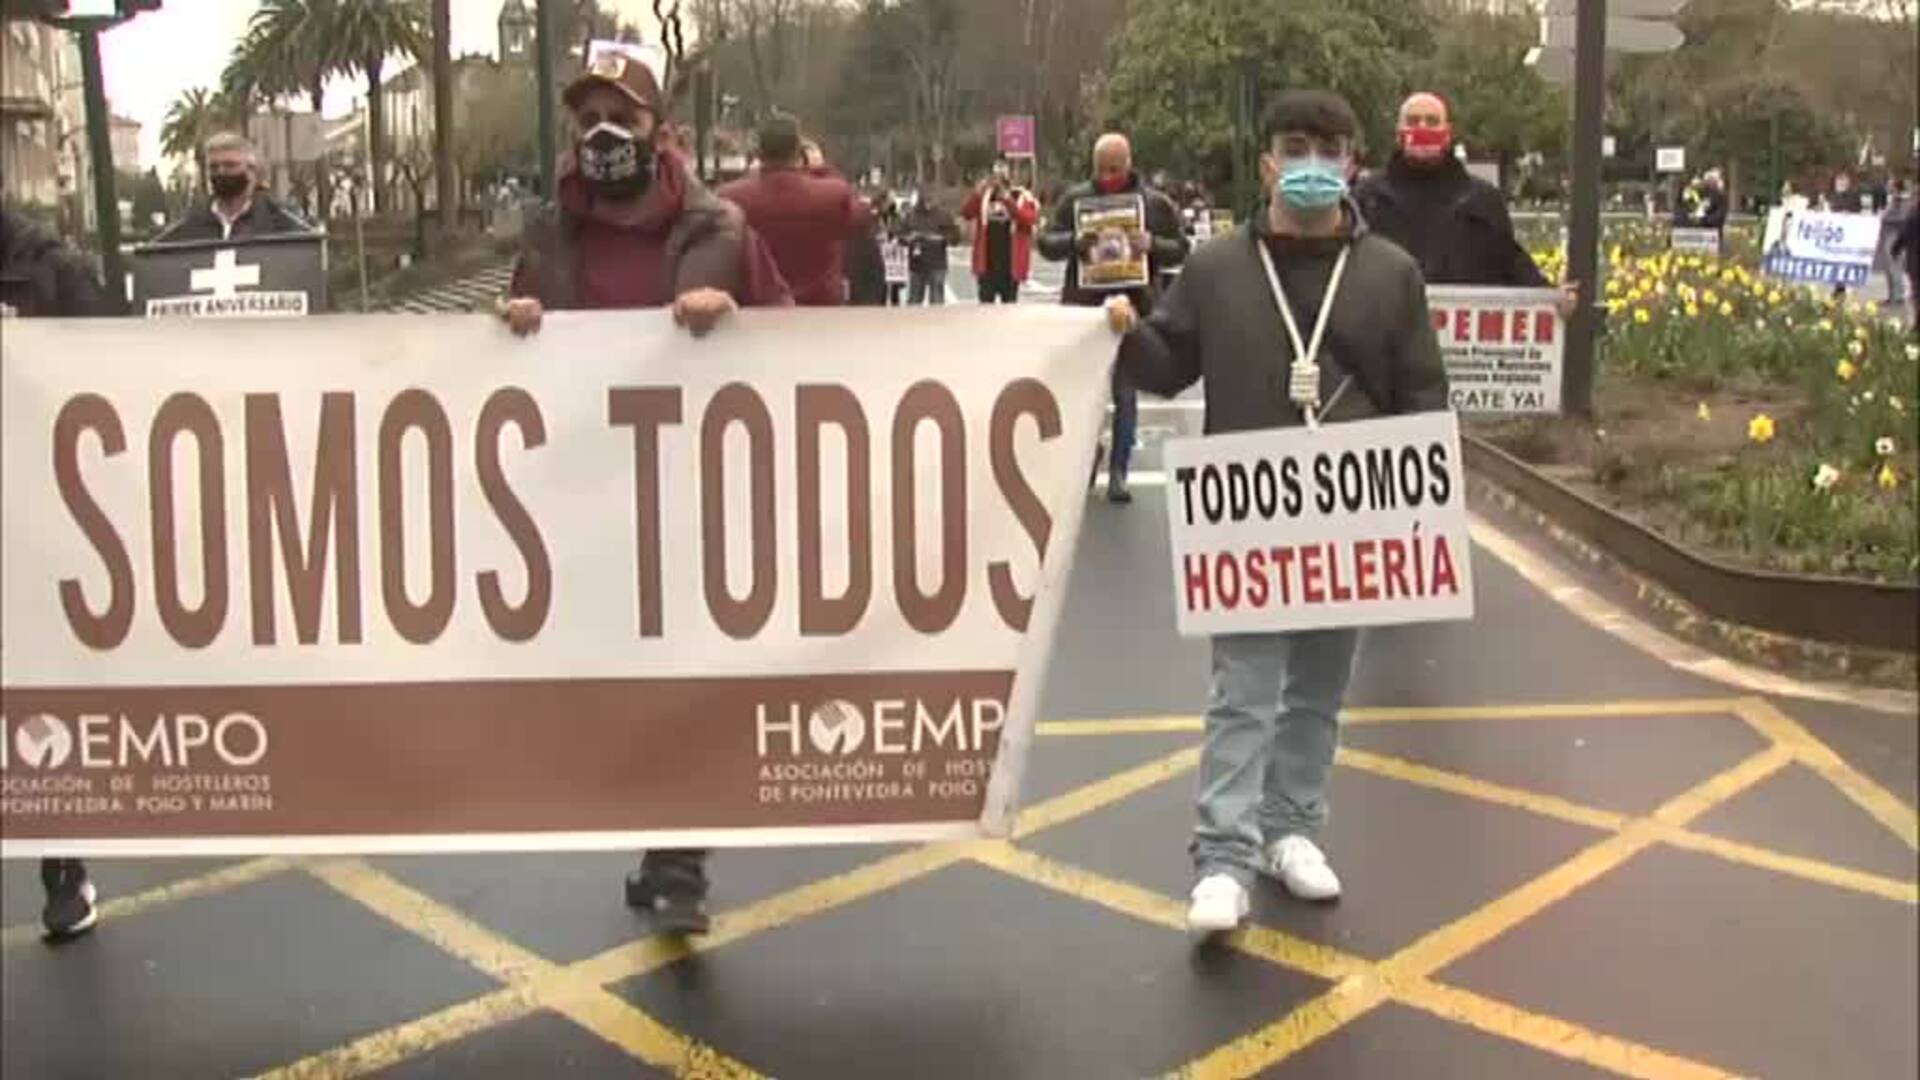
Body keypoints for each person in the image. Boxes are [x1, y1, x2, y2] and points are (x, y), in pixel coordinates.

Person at [1104, 89, 1447, 936]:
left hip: (1350, 510)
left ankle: (1291, 831)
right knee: (1244, 691)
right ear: (1266, 162)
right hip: (1247, 513)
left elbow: (1423, 398)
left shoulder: (1390, 274)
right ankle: (1222, 858)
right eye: (1296, 147)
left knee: (1319, 692)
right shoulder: (1218, 267)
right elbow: (1167, 366)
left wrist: (1425, 514)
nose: (1313, 167)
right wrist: (1122, 326)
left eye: (1331, 152)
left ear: (1354, 165)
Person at [499, 49, 792, 934]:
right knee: (620, 681)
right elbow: (509, 363)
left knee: (682, 676)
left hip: (694, 494)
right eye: (588, 115)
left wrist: (739, 324)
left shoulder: (727, 233)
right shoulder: (547, 238)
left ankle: (678, 860)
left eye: (622, 117)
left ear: (660, 134)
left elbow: (805, 345)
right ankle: (657, 839)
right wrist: (512, 329)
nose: (602, 134)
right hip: (586, 497)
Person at [1, 208, 110, 943]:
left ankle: (62, 871)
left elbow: (117, 365)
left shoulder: (52, 267)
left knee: (40, 691)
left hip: (32, 511)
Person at [1037, 132, 1189, 504]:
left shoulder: (1154, 204)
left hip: (1132, 308)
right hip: (1084, 311)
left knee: (1126, 393)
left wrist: (1152, 245)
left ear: (1129, 164)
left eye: (1115, 169)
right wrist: (1075, 242)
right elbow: (1045, 242)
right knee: (1085, 395)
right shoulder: (1076, 199)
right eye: (1102, 170)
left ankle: (1120, 470)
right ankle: (1088, 460)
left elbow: (1181, 249)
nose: (1108, 176)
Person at [1353, 92, 1576, 317]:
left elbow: (1510, 262)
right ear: (1398, 134)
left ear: (1447, 134)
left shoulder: (1481, 200)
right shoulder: (1367, 197)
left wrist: (1552, 297)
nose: (1422, 128)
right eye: (1413, 121)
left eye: (1432, 122)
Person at [719, 116, 869, 306]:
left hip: (756, 312)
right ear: (799, 151)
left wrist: (750, 175)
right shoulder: (831, 195)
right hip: (820, 314)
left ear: (758, 152)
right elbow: (862, 218)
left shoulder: (730, 198)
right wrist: (822, 168)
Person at [155, 132, 312, 242]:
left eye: (230, 165)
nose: (221, 172)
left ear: (251, 170)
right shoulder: (189, 226)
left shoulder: (282, 224)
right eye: (214, 167)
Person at [961, 160, 1039, 303]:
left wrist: (1008, 200)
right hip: (987, 263)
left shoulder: (1021, 196)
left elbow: (1029, 219)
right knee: (985, 308)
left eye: (1003, 174)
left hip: (1010, 265)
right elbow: (966, 213)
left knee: (1009, 308)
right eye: (996, 174)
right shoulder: (985, 195)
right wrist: (977, 194)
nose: (999, 180)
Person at [903, 192, 960, 305]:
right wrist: (909, 238)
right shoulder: (911, 215)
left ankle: (937, 321)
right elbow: (900, 234)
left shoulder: (943, 215)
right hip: (917, 263)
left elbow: (955, 237)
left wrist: (941, 238)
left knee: (937, 299)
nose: (928, 203)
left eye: (930, 200)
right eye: (925, 200)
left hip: (937, 262)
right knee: (914, 299)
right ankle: (912, 321)